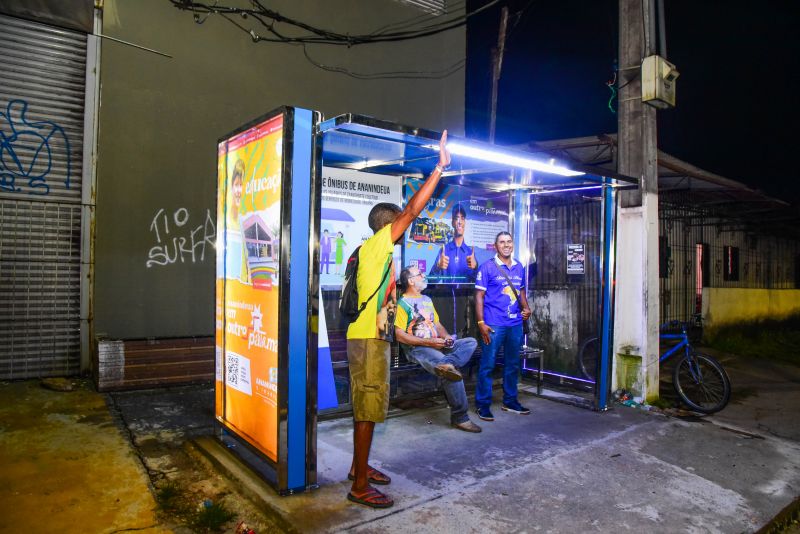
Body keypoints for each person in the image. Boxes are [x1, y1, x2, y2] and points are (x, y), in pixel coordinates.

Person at [345, 130, 451, 509]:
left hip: (370, 338)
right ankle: (358, 485)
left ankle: (359, 466)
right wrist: (439, 168)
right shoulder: (379, 245)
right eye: (399, 228)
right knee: (368, 408)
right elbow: (411, 211)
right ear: (389, 228)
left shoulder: (372, 253)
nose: (403, 233)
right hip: (368, 342)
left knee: (368, 407)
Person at [394, 265, 482, 433]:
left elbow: (437, 324)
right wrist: (430, 343)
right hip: (419, 348)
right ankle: (460, 418)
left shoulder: (427, 300)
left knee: (470, 342)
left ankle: (446, 363)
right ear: (411, 281)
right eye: (419, 274)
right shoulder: (402, 304)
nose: (423, 275)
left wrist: (447, 337)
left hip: (438, 345)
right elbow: (400, 336)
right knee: (452, 373)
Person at [474, 231, 532, 421]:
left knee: (513, 364)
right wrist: (481, 322)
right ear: (496, 246)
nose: (506, 245)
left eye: (509, 241)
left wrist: (526, 308)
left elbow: (520, 291)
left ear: (512, 244)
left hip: (515, 323)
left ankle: (510, 401)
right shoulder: (487, 267)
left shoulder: (519, 267)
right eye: (502, 242)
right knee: (488, 365)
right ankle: (482, 405)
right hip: (493, 324)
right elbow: (479, 297)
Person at [428, 203, 478, 282]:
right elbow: (431, 281)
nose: (459, 222)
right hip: (447, 294)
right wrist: (438, 267)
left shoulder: (470, 252)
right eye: (456, 218)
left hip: (465, 294)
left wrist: (475, 268)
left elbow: (476, 282)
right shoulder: (444, 250)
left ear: (465, 222)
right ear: (452, 223)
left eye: (462, 218)